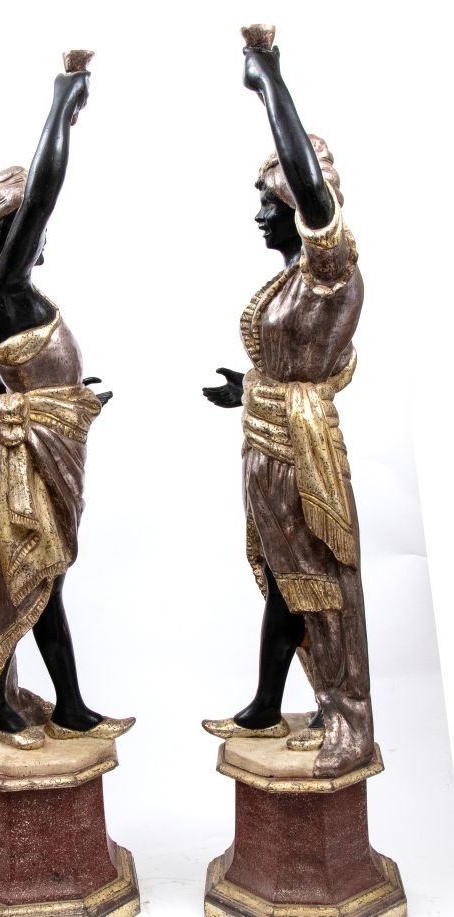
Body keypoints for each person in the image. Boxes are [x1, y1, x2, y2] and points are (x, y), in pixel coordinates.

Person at [202, 41, 372, 778]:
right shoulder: (292, 282)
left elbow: (311, 186)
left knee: (316, 583)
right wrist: (245, 389)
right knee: (281, 578)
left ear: (300, 209)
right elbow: (295, 359)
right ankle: (267, 706)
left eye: (268, 205)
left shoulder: (329, 270)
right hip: (268, 441)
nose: (257, 216)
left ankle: (346, 716)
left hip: (299, 453)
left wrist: (267, 80)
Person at [0, 66, 134, 752]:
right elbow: (43, 193)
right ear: (14, 233)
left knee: (46, 581)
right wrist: (65, 102)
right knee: (21, 582)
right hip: (19, 469)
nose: (40, 233)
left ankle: (73, 710)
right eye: (28, 226)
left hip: (37, 450)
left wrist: (55, 402)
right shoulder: (2, 286)